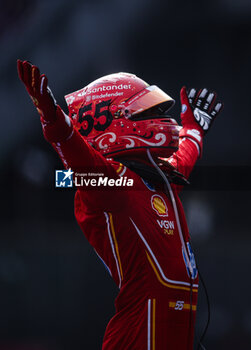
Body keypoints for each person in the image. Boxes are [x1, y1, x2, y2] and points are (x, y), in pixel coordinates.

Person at [17, 59, 223, 350]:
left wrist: (195, 130)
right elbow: (78, 158)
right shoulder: (112, 184)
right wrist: (53, 119)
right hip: (138, 338)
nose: (159, 117)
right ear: (109, 120)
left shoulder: (156, 178)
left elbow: (183, 161)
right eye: (146, 111)